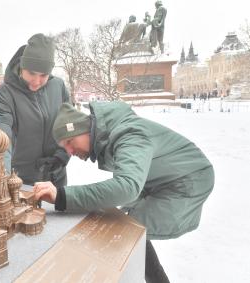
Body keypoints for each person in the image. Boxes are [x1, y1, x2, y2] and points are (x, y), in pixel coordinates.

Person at [34, 101, 214, 283]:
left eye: (70, 142)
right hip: (160, 180)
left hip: (188, 180)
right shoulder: (111, 135)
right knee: (123, 225)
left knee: (124, 229)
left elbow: (127, 187)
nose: (70, 152)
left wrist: (63, 196)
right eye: (65, 148)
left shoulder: (129, 135)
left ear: (84, 129)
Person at [0, 33, 71, 189]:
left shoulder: (58, 87)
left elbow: (70, 124)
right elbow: (1, 138)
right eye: (31, 73)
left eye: (43, 75)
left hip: (56, 178)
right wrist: (4, 178)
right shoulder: (5, 94)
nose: (36, 81)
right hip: (22, 182)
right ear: (22, 67)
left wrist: (63, 154)